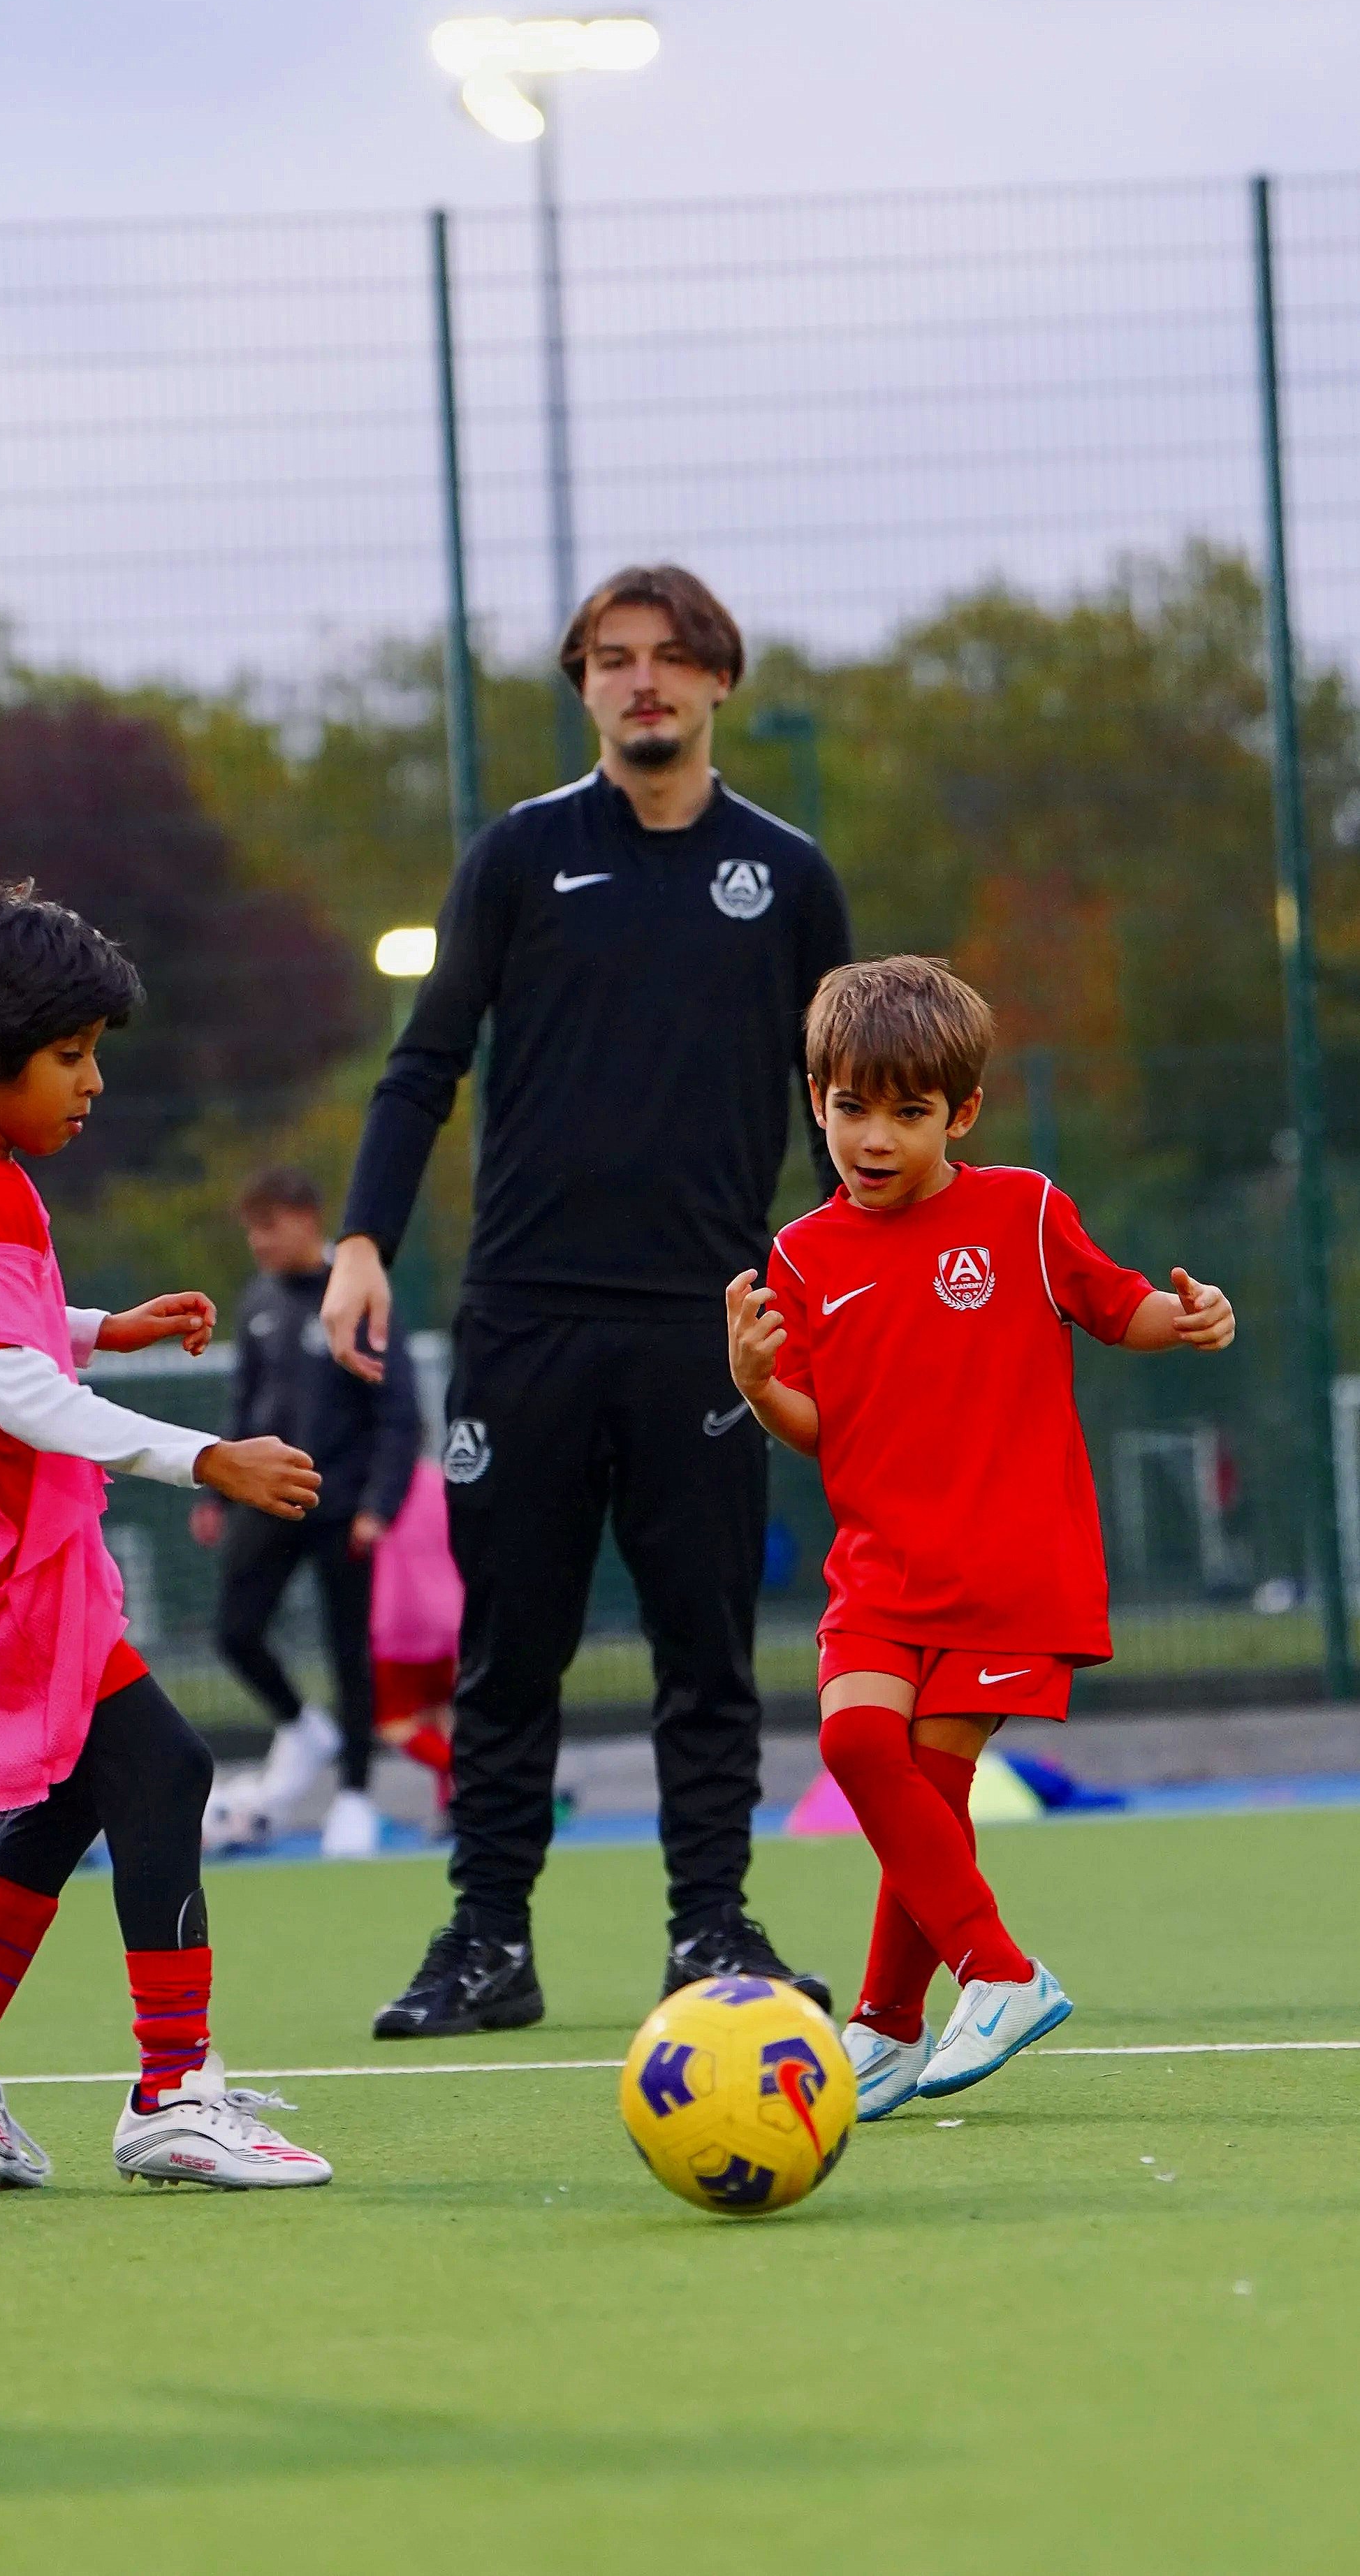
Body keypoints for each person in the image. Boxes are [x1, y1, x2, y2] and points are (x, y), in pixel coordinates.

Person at [322, 563, 851, 2037]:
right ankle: (487, 1940)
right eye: (612, 659)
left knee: (703, 1649)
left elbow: (841, 1106)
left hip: (705, 1324)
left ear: (718, 683)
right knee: (509, 1650)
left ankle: (710, 1931)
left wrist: (851, 1278)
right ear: (581, 686)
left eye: (670, 659)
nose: (642, 683)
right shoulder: (515, 857)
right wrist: (361, 1240)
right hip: (524, 1320)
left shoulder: (788, 877)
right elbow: (422, 1064)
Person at [0, 878, 332, 2191]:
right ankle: (175, 2090)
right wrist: (208, 1458)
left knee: (75, 1786)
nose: (93, 1084)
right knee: (165, 1771)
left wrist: (99, 1324)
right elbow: (16, 1395)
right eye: (70, 1058)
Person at [726, 955, 1236, 2116]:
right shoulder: (801, 1255)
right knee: (862, 1751)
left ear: (960, 1113)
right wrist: (757, 1385)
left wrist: (1190, 1317)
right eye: (852, 1105)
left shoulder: (1025, 1209)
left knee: (931, 1790)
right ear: (818, 1100)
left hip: (1009, 1564)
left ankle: (949, 1997)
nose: (876, 1135)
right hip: (880, 1566)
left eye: (909, 1112)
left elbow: (1120, 1306)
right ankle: (936, 2003)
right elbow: (818, 1425)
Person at [196, 1166, 421, 1857]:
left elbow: (399, 1414)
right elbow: (243, 1404)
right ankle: (303, 1725)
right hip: (267, 1498)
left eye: (267, 1228)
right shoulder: (258, 1299)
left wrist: (380, 1504)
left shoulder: (355, 1296)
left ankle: (353, 1797)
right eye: (251, 1231)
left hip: (343, 1507)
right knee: (234, 1632)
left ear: (304, 1219)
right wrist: (214, 1490)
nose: (258, 1244)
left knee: (349, 1654)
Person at [369, 1456, 460, 1822]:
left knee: (392, 1722)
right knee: (438, 1714)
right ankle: (452, 1808)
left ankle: (478, 1777)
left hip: (400, 1620)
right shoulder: (441, 1482)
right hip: (450, 1613)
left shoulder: (376, 1484)